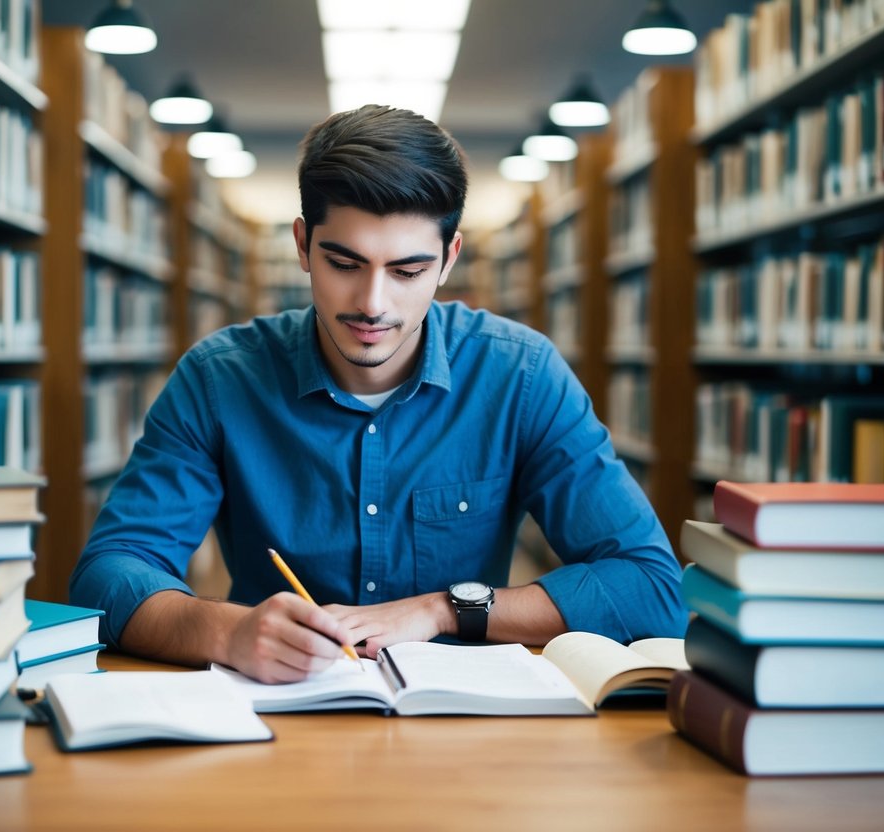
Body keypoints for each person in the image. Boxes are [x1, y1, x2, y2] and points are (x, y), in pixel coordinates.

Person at [70, 104, 686, 683]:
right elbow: (108, 575)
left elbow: (650, 585)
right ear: (302, 245)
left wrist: (446, 609)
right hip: (276, 716)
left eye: (407, 271)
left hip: (455, 724)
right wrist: (228, 632)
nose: (372, 303)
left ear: (449, 260)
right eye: (344, 263)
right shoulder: (219, 378)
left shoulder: (520, 376)